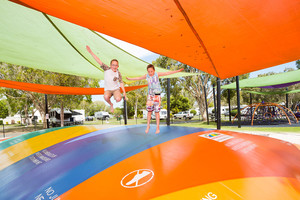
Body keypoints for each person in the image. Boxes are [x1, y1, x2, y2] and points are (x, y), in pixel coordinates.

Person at [127, 64, 184, 134]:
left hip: (157, 95)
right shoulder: (147, 76)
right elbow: (138, 78)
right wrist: (130, 79)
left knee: (157, 112)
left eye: (151, 71)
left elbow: (167, 73)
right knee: (149, 112)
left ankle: (157, 127)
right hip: (150, 96)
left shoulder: (157, 74)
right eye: (149, 71)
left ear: (154, 70)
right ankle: (148, 126)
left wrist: (178, 71)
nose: (150, 73)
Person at [86, 45, 127, 113]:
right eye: (113, 65)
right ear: (110, 65)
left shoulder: (118, 73)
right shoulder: (106, 69)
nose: (114, 66)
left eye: (116, 65)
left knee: (118, 99)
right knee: (105, 97)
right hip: (108, 89)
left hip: (116, 89)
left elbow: (121, 82)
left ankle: (116, 97)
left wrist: (124, 92)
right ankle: (111, 104)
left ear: (118, 66)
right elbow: (99, 61)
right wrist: (91, 52)